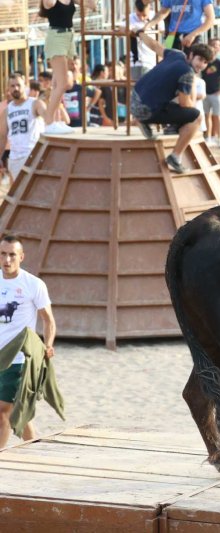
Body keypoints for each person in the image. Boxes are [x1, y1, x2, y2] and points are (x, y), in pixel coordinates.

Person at [0, 235, 57, 449]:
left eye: (12, 254)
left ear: (21, 256)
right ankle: (36, 452)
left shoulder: (33, 285)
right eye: (3, 254)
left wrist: (48, 345)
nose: (7, 259)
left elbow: (48, 321)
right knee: (18, 415)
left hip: (18, 360)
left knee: (4, 411)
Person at [130, 30, 212, 173]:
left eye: (205, 62)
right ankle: (175, 157)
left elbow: (155, 45)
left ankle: (145, 121)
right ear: (191, 55)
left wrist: (140, 34)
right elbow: (185, 104)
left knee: (174, 104)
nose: (201, 65)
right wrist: (194, 95)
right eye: (200, 59)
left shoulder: (176, 54)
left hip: (134, 98)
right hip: (146, 110)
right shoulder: (187, 73)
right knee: (197, 117)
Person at [40, 0, 98, 135]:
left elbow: (92, 5)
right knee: (63, 84)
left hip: (69, 37)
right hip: (56, 37)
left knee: (58, 84)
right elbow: (48, 3)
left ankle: (54, 119)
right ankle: (48, 122)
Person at [0, 76, 46, 182]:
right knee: (16, 194)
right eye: (12, 86)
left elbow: (48, 119)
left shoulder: (35, 103)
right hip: (14, 158)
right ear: (8, 89)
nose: (16, 88)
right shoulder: (7, 111)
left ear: (25, 86)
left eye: (18, 85)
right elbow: (2, 137)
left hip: (33, 154)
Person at [144, 0, 214, 52]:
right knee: (169, 64)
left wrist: (193, 35)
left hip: (192, 36)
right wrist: (147, 26)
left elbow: (210, 19)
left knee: (190, 67)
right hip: (171, 35)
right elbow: (163, 12)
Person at [127, 0, 162, 81]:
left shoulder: (156, 18)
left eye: (144, 15)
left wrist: (163, 53)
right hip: (136, 62)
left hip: (153, 61)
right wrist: (131, 31)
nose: (141, 18)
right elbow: (121, 29)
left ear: (149, 8)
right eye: (138, 15)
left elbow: (167, 35)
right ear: (135, 9)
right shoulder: (130, 18)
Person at [202, 37, 220, 146]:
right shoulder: (204, 61)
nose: (214, 47)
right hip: (205, 93)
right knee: (207, 116)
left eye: (217, 45)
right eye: (212, 45)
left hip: (217, 93)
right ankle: (208, 137)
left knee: (218, 116)